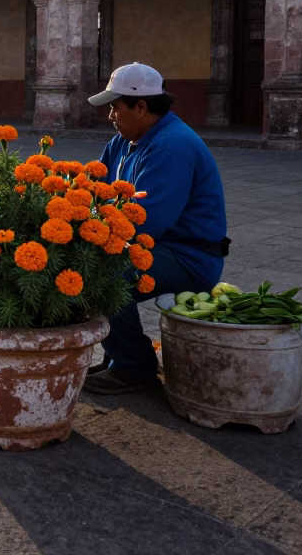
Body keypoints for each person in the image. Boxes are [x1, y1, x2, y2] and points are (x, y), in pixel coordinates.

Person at [81, 62, 229, 395]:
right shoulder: (124, 140)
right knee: (91, 264)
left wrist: (88, 234)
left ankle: (133, 367)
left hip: (189, 256)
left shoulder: (171, 147)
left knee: (103, 275)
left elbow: (148, 222)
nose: (110, 115)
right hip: (153, 244)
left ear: (141, 107)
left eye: (115, 107)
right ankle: (120, 356)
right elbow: (95, 188)